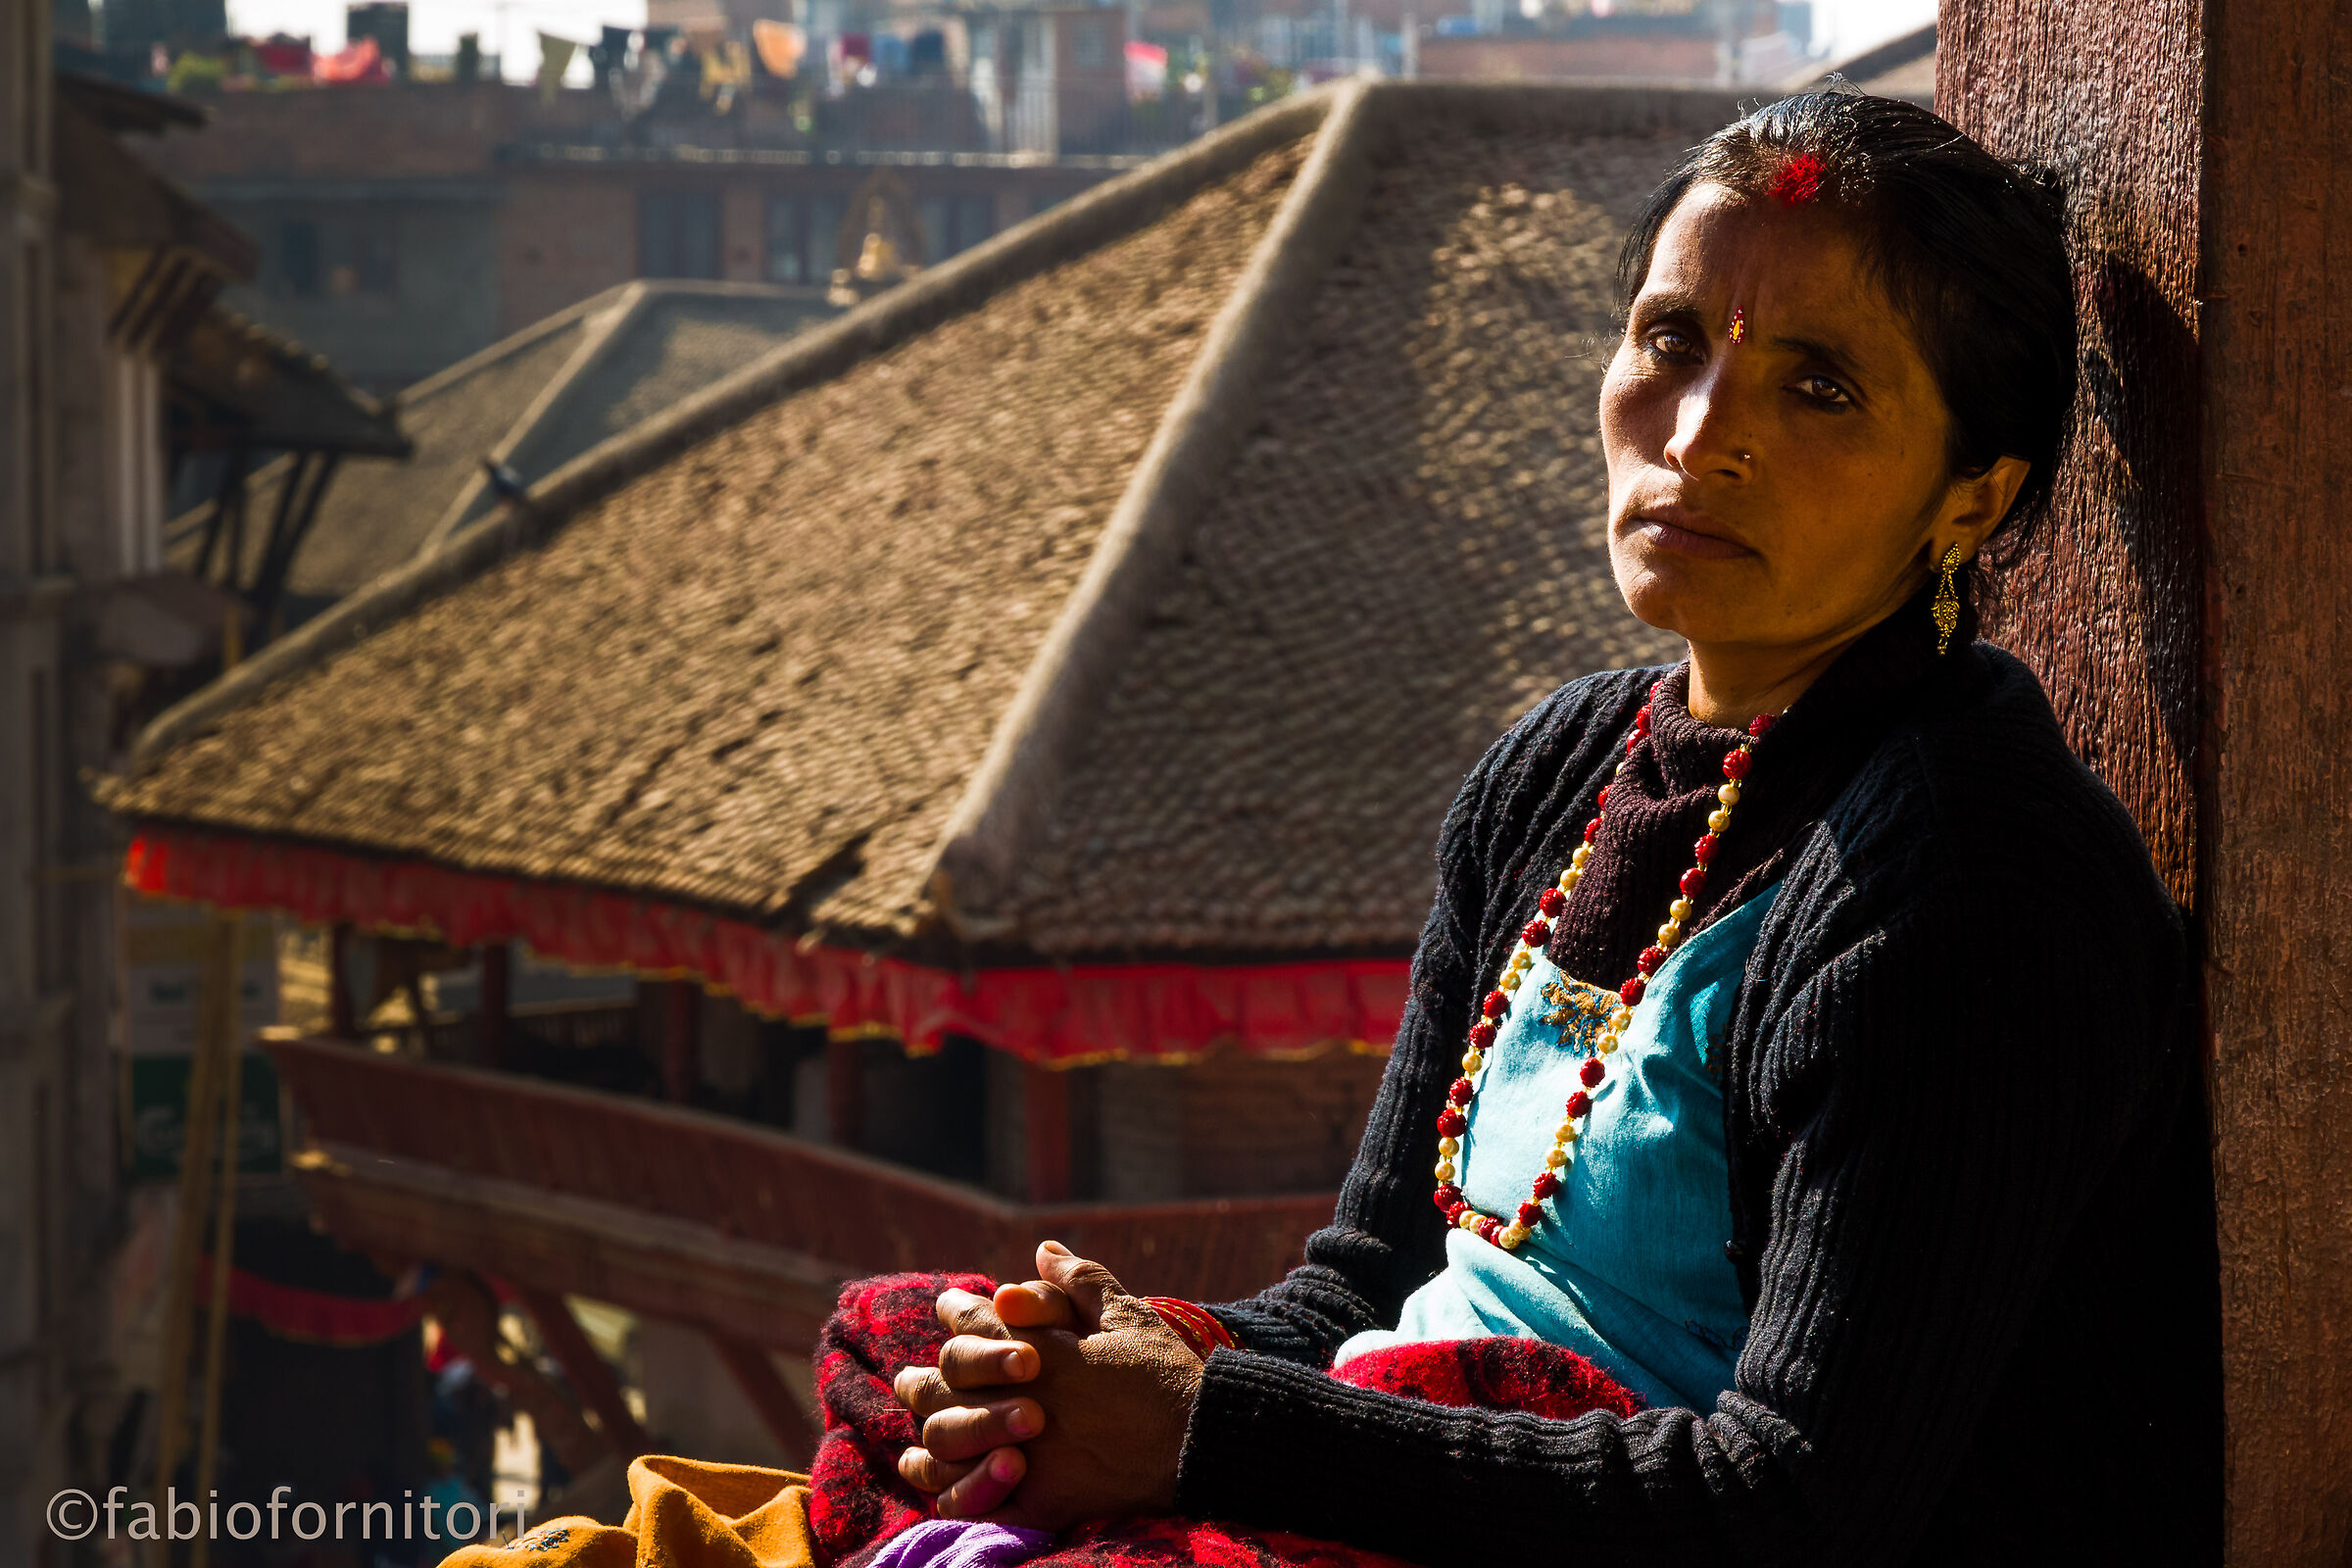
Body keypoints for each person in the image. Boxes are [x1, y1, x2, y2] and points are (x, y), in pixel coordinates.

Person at [859, 89, 2222, 1565]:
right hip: (1426, 1456)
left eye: (1819, 387)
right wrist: (1107, 1362)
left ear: (1974, 496)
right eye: (1672, 341)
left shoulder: (1965, 882)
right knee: (909, 1348)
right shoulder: (1559, 772)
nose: (1701, 436)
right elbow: (1371, 1283)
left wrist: (1205, 1430)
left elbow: (1798, 1505)